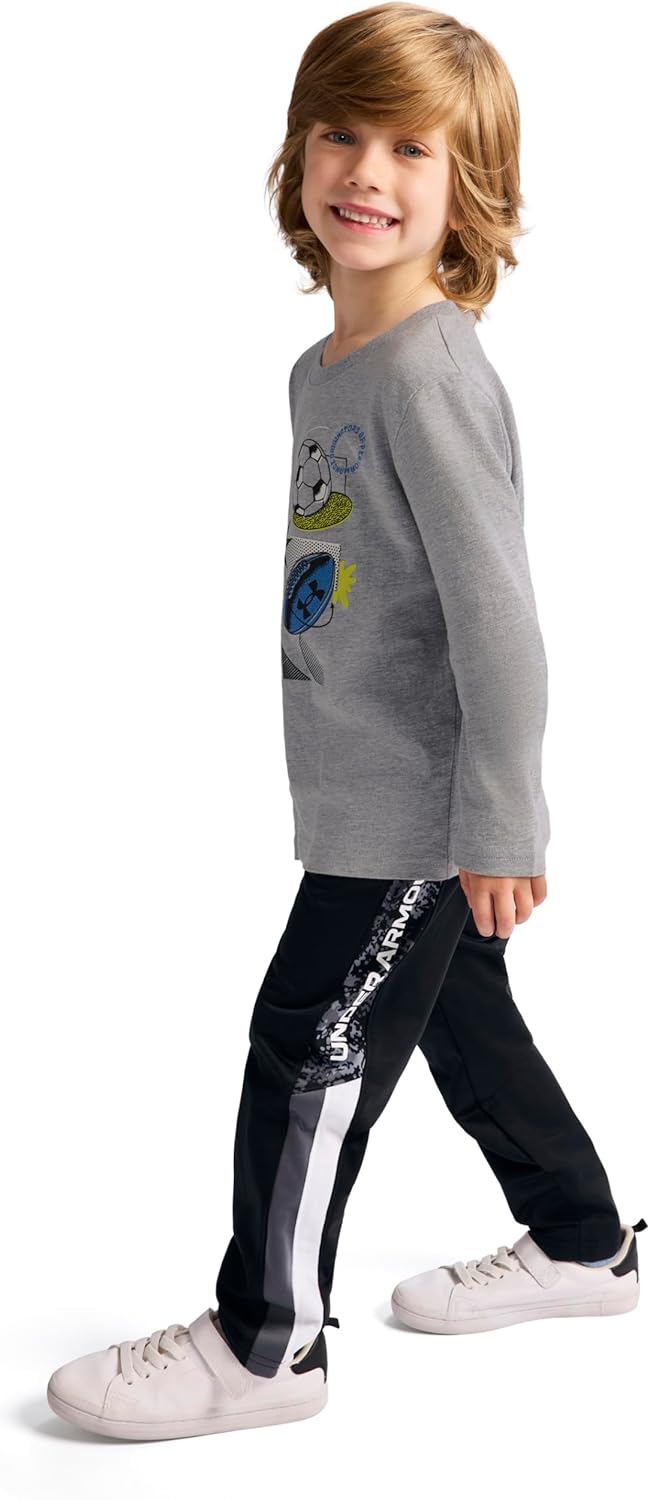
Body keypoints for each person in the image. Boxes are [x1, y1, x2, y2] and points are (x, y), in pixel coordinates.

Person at [46, 3, 644, 1442]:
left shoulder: (430, 372)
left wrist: (499, 820)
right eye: (339, 134)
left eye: (409, 149)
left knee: (309, 1038)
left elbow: (499, 622)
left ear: (467, 189)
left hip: (417, 808)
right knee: (453, 1015)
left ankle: (267, 1344)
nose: (364, 172)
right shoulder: (326, 372)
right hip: (360, 785)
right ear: (297, 157)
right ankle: (583, 1242)